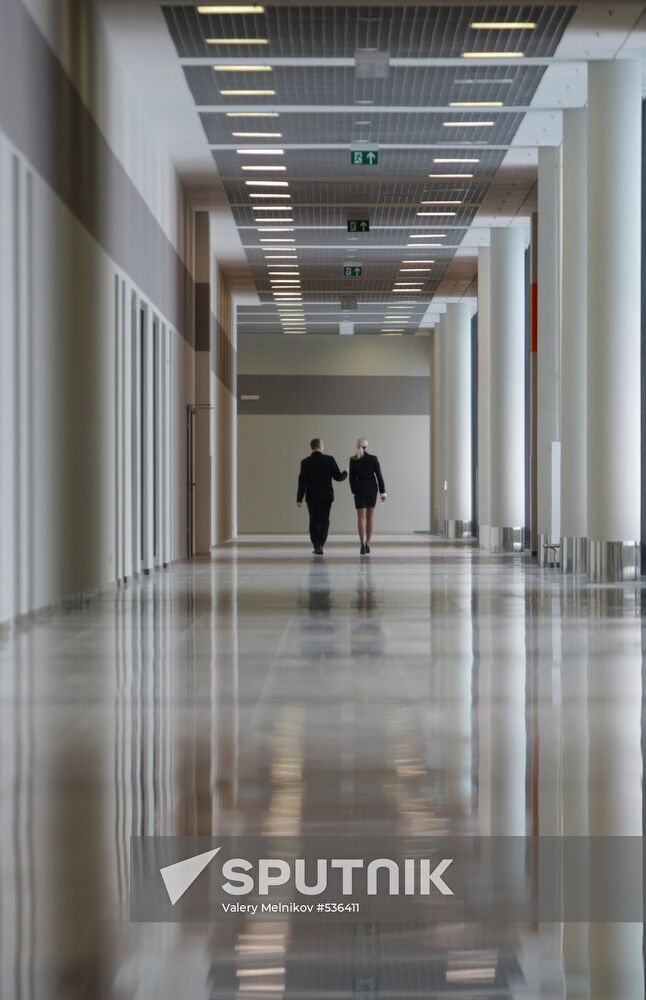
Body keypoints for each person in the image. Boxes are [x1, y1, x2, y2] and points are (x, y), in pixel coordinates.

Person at [297, 438, 347, 555]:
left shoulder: (305, 462)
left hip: (312, 497)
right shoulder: (329, 459)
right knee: (324, 520)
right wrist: (346, 472)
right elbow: (338, 477)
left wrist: (299, 498)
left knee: (313, 520)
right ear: (319, 446)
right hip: (326, 496)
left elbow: (302, 482)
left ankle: (316, 544)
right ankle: (321, 543)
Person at [349, 437, 386, 555]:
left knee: (361, 518)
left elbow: (351, 478)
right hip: (371, 490)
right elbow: (379, 476)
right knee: (370, 518)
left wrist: (354, 490)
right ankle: (368, 543)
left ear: (357, 446)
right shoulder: (373, 459)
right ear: (367, 446)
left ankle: (362, 544)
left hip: (360, 490)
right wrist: (382, 492)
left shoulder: (353, 459)